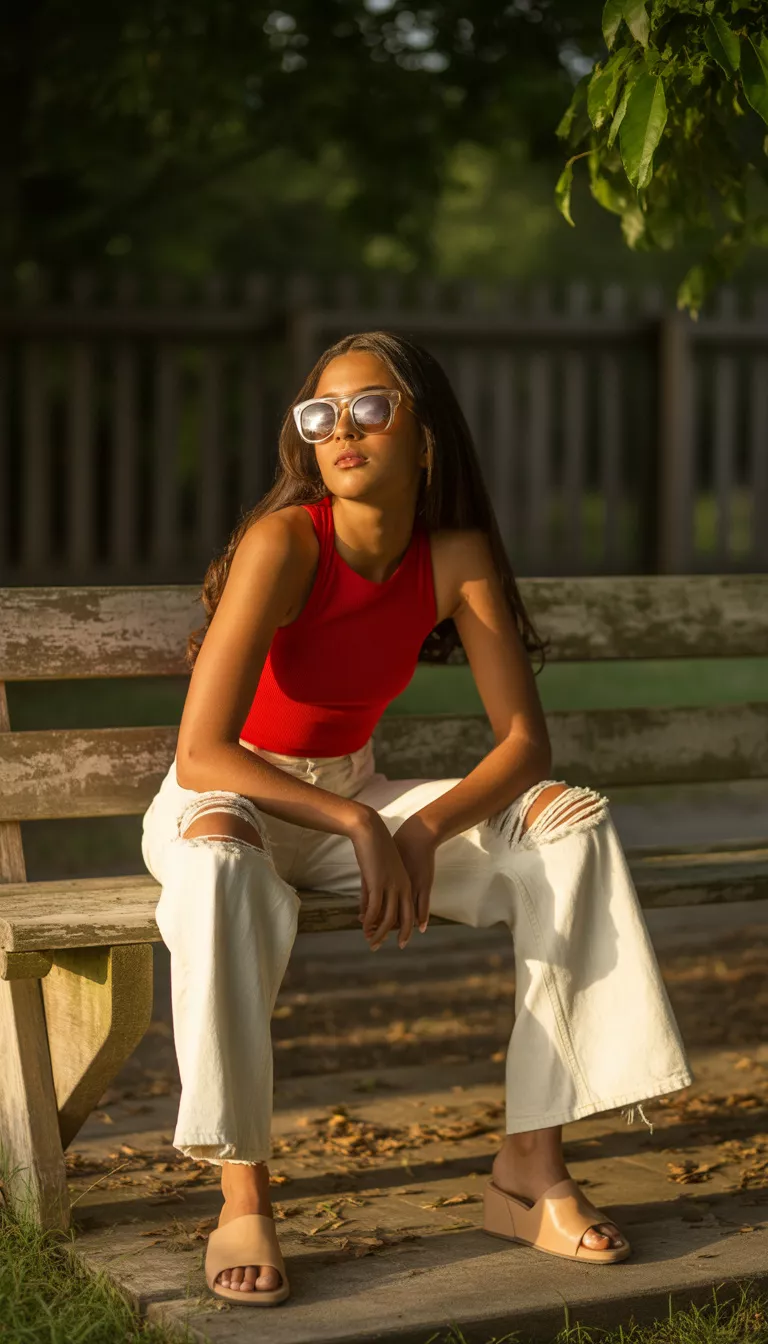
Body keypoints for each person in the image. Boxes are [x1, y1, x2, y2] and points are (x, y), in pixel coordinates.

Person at [141, 330, 693, 1306]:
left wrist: (419, 826)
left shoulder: (454, 556)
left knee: (569, 825)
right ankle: (242, 1196)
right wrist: (361, 826)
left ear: (425, 436)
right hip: (236, 799)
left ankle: (530, 1169)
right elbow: (201, 755)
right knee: (224, 865)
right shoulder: (283, 542)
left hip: (354, 789)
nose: (341, 429)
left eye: (370, 407)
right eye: (321, 414)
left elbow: (524, 742)